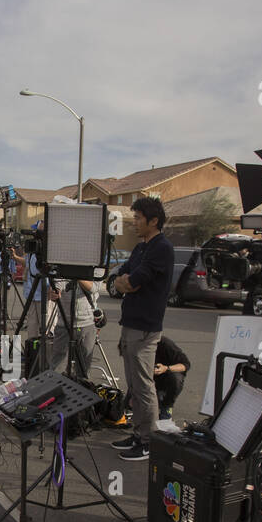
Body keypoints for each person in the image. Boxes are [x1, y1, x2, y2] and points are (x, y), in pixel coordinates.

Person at [108, 197, 174, 461]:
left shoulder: (162, 248)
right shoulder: (140, 248)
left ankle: (148, 441)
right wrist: (123, 282)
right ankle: (139, 434)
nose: (134, 222)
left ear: (153, 220)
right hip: (130, 324)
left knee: (144, 386)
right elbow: (117, 280)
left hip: (145, 327)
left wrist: (125, 282)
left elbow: (132, 281)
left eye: (137, 218)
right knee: (134, 385)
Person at [51, 278, 99, 378]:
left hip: (87, 323)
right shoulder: (65, 262)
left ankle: (82, 388)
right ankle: (55, 390)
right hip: (64, 323)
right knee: (57, 368)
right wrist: (54, 292)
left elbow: (94, 287)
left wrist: (76, 275)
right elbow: (58, 283)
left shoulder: (94, 262)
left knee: (83, 370)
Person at [153, 336, 190, 419]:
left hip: (163, 379)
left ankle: (167, 406)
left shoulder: (165, 344)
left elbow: (185, 365)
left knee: (176, 377)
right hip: (143, 380)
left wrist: (166, 368)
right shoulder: (134, 342)